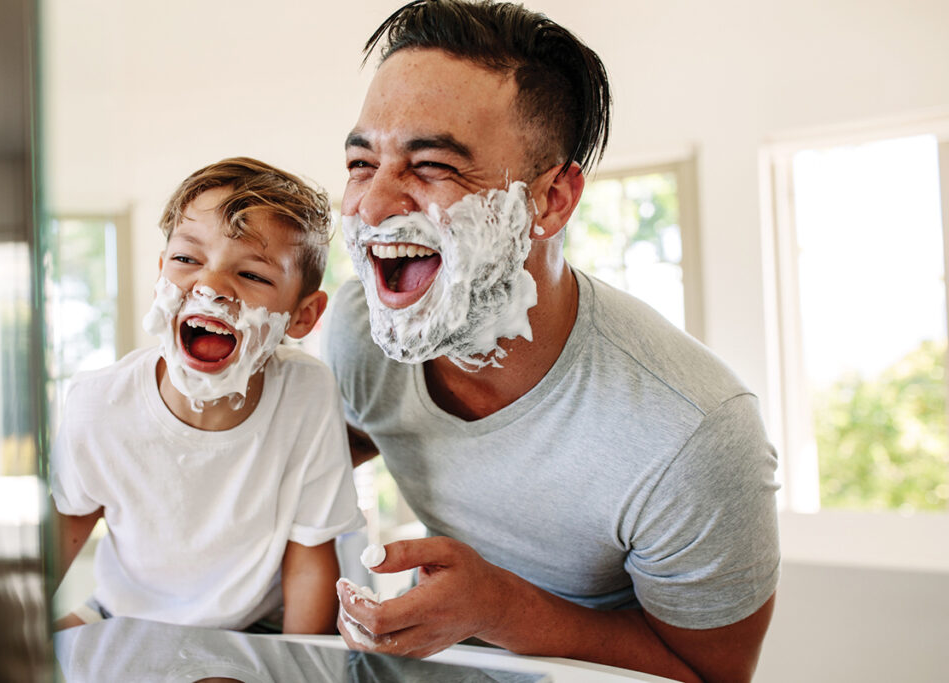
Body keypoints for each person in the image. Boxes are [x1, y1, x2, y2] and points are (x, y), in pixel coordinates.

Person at [322, 1, 779, 681]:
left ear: (552, 200)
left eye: (432, 166)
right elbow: (319, 451)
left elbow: (712, 672)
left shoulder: (693, 431)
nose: (371, 204)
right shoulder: (364, 328)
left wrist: (501, 608)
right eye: (362, 162)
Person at [50, 157, 364, 634]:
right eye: (186, 259)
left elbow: (309, 562)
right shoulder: (98, 405)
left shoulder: (306, 393)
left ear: (302, 316)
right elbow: (54, 546)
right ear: (160, 275)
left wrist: (302, 666)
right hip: (122, 615)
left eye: (254, 275)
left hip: (254, 626)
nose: (212, 287)